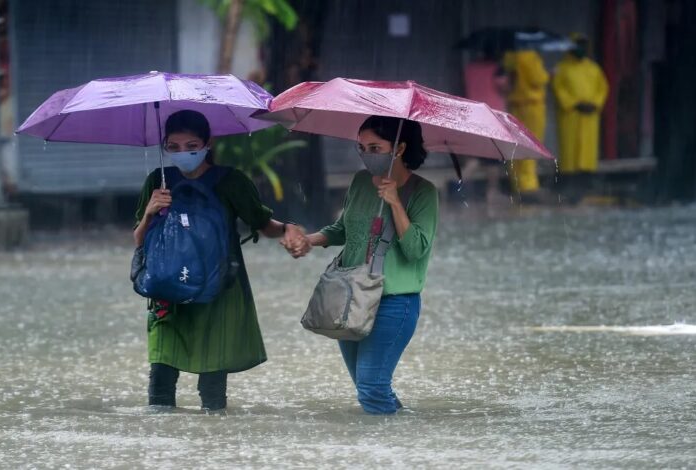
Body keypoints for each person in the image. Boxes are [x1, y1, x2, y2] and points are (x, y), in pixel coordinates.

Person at [134, 110, 308, 411]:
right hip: (167, 290)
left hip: (219, 291)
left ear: (207, 142)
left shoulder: (231, 181)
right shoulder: (157, 181)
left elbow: (262, 224)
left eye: (191, 145)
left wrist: (287, 228)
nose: (183, 153)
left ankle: (211, 449)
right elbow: (139, 241)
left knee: (212, 389)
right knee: (161, 377)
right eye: (173, 147)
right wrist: (150, 212)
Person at [284, 116, 438, 414]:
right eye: (361, 147)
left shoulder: (423, 192)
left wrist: (394, 202)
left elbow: (416, 249)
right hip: (352, 297)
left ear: (399, 148)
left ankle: (387, 455)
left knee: (372, 387)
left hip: (394, 302)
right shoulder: (359, 182)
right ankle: (404, 440)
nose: (366, 154)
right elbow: (343, 229)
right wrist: (308, 240)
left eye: (374, 147)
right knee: (369, 388)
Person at [553, 33, 609, 199]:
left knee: (587, 149)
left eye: (584, 45)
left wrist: (595, 104)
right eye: (578, 45)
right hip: (571, 115)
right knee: (570, 149)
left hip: (589, 115)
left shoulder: (593, 68)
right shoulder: (562, 68)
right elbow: (558, 88)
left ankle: (587, 180)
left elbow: (603, 88)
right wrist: (574, 103)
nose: (581, 49)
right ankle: (568, 182)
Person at [462, 43, 510, 203]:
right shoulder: (497, 69)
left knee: (477, 156)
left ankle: (459, 185)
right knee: (493, 157)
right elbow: (504, 88)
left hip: (474, 114)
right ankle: (492, 192)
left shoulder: (470, 68)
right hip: (493, 115)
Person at [503, 48, 550, 200]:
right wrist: (548, 73)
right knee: (531, 143)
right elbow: (538, 79)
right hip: (531, 105)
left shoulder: (509, 56)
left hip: (514, 105)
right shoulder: (530, 56)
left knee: (515, 145)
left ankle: (516, 183)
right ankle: (528, 185)